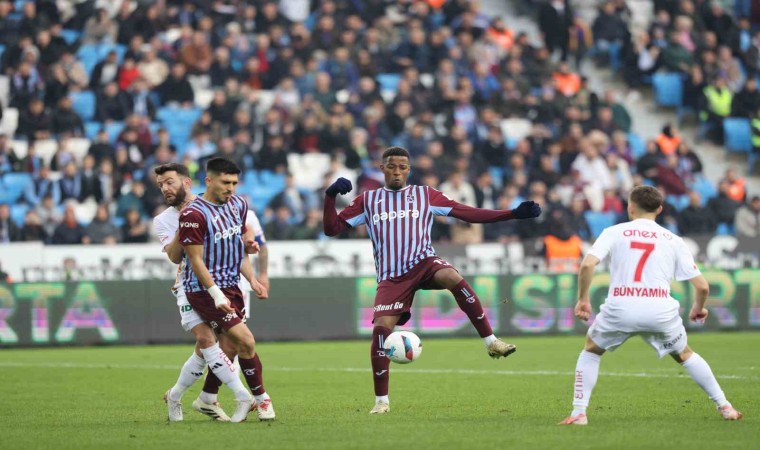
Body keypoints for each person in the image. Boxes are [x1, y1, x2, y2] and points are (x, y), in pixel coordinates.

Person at [323, 146, 542, 414]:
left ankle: (491, 342)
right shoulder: (368, 200)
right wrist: (330, 196)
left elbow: (467, 212)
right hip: (392, 278)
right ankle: (381, 402)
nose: (397, 172)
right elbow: (331, 229)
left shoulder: (425, 195)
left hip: (424, 263)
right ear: (382, 169)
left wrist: (512, 214)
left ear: (409, 170)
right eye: (391, 166)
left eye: (402, 167)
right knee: (381, 333)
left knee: (451, 275)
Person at [559, 186, 743, 425]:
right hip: (660, 311)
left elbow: (587, 265)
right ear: (660, 209)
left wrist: (583, 298)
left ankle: (579, 413)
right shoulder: (674, 240)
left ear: (630, 207)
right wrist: (699, 308)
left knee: (591, 351)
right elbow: (703, 287)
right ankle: (725, 406)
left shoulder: (614, 232)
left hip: (621, 308)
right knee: (685, 354)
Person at [153, 162, 269, 422]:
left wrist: (251, 271)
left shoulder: (216, 204)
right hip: (189, 286)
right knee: (207, 340)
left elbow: (238, 239)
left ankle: (182, 395)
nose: (165, 189)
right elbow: (175, 257)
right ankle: (243, 396)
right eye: (160, 185)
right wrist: (185, 225)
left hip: (224, 284)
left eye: (169, 182)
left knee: (220, 346)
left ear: (186, 182)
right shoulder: (164, 220)